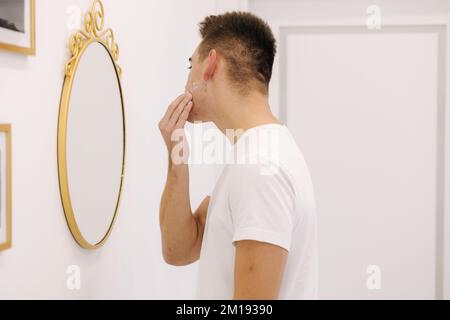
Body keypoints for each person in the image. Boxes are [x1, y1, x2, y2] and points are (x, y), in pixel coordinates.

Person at [158, 11, 318, 300]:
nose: (187, 77)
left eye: (190, 64)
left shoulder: (259, 167)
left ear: (211, 64)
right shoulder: (257, 154)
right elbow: (177, 249)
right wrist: (176, 156)